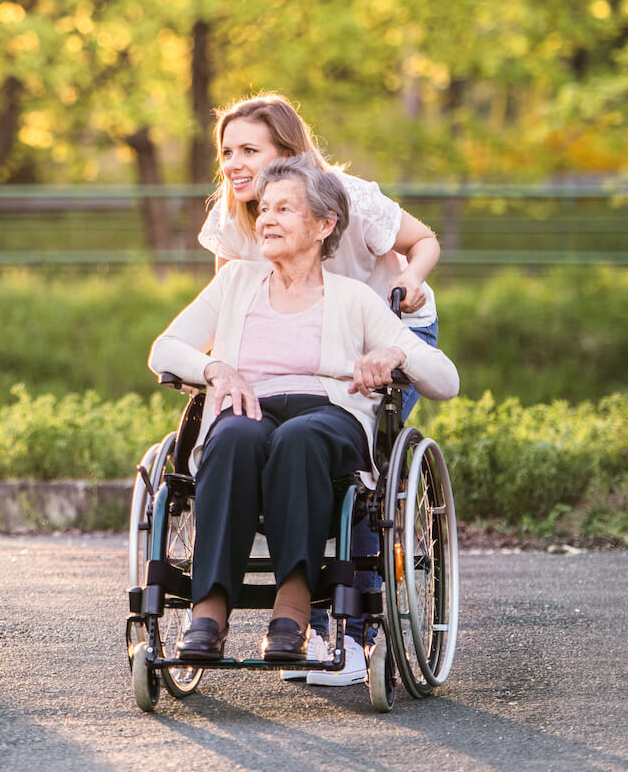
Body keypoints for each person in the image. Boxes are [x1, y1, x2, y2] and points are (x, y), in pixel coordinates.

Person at [148, 155, 458, 667]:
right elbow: (164, 348)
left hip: (328, 417)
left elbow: (446, 379)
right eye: (264, 209)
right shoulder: (235, 284)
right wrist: (216, 369)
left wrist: (397, 353)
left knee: (301, 437)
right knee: (231, 438)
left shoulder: (355, 298)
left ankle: (290, 608)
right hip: (249, 407)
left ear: (323, 225)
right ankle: (210, 609)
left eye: (284, 209)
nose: (266, 218)